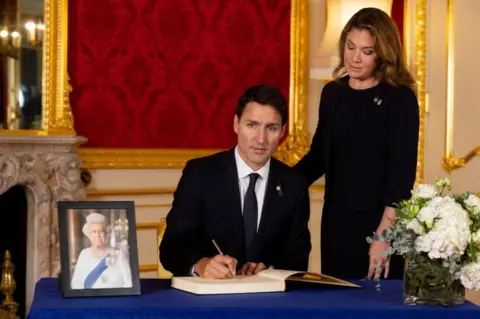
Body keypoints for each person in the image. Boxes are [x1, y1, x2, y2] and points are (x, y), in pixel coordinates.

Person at [294, 7, 419, 280]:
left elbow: (401, 179)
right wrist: (277, 183)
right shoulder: (333, 93)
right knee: (337, 303)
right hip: (336, 224)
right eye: (350, 47)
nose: (354, 58)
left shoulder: (400, 99)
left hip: (381, 225)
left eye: (367, 51)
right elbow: (319, 157)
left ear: (383, 54)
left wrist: (383, 237)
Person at [160, 85, 311, 279]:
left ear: (282, 132)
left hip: (269, 301)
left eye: (271, 128)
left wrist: (271, 269)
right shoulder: (200, 174)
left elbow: (298, 256)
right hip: (209, 299)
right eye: (252, 125)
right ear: (236, 124)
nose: (261, 139)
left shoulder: (294, 184)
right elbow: (171, 248)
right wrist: (201, 265)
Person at [71, 212, 133, 289]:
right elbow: (76, 284)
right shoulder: (84, 254)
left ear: (106, 234)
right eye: (94, 232)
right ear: (89, 235)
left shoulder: (118, 253)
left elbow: (128, 283)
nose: (97, 235)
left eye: (101, 231)